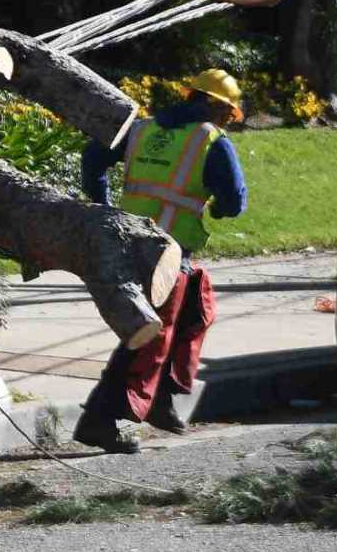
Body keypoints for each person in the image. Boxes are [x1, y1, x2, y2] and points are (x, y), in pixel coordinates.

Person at [75, 69, 249, 453]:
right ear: (212, 104)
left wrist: (101, 205)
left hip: (130, 243)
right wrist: (217, 209)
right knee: (147, 335)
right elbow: (235, 202)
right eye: (226, 113)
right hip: (166, 254)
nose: (225, 121)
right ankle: (100, 421)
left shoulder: (142, 130)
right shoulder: (211, 141)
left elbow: (92, 158)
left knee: (195, 313)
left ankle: (162, 401)